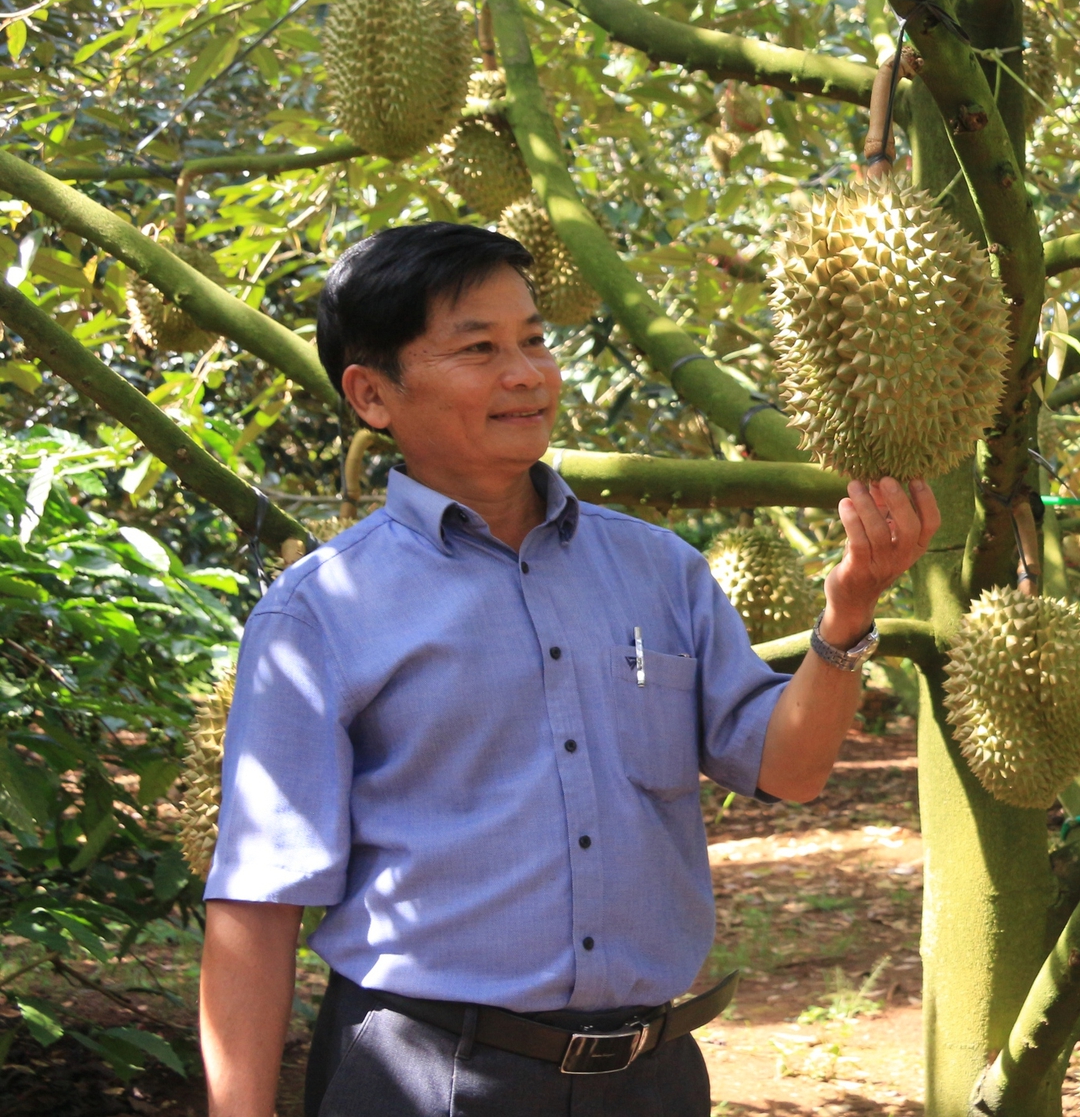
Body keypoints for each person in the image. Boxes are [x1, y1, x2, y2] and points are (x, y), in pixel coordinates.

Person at [198, 222, 939, 1116]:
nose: (528, 374)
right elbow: (257, 900)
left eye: (535, 340)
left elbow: (789, 766)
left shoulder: (661, 569)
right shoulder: (318, 613)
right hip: (428, 1074)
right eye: (479, 348)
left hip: (652, 1077)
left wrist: (848, 616)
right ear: (372, 393)